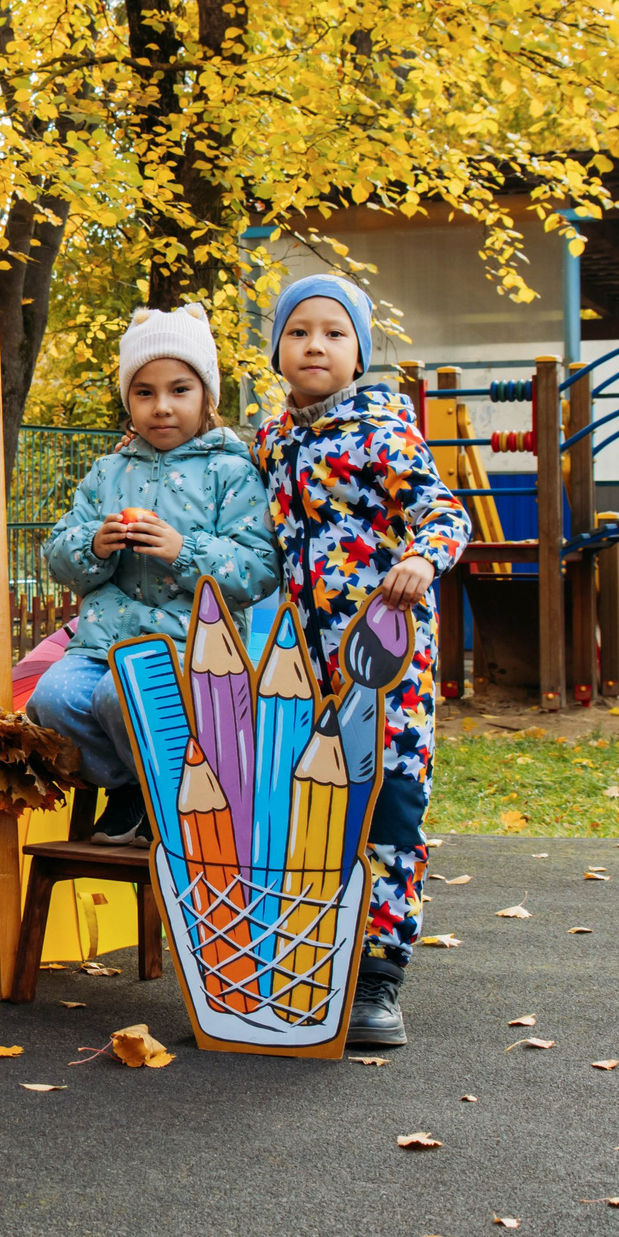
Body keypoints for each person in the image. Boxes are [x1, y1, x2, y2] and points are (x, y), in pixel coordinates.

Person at [254, 273, 471, 1051]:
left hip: (385, 663)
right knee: (308, 805)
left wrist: (421, 558)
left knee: (390, 808)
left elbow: (446, 510)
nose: (316, 344)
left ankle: (381, 975)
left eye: (334, 333)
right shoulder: (271, 441)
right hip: (302, 666)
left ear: (359, 351)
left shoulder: (384, 429)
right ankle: (314, 955)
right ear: (278, 346)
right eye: (300, 330)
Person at [34, 301, 278, 842]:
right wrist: (93, 545)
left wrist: (183, 549)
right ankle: (136, 787)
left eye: (179, 390)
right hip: (101, 646)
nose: (161, 406)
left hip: (192, 650)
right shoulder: (107, 472)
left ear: (207, 396)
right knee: (51, 702)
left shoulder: (230, 473)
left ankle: (152, 796)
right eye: (144, 392)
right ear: (128, 400)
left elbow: (258, 572)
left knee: (119, 697)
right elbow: (58, 558)